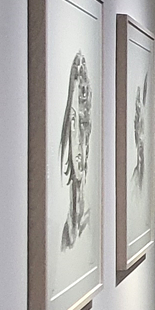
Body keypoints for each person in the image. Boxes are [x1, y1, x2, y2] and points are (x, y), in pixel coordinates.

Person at [59, 52, 93, 250]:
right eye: (73, 122)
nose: (78, 141)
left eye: (83, 123)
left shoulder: (89, 221)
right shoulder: (67, 230)